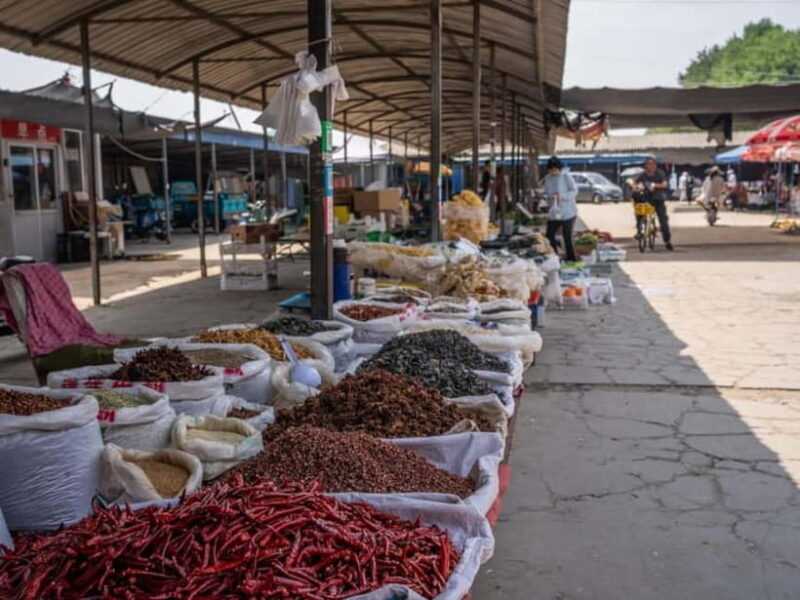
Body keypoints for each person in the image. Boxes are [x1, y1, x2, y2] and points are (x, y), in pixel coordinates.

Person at [542, 156, 578, 262]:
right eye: (551, 169)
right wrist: (545, 197)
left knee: (567, 237)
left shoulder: (566, 176)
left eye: (555, 169)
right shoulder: (547, 178)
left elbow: (574, 191)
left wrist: (561, 196)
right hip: (554, 212)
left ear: (559, 168)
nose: (553, 172)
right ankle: (554, 257)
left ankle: (571, 260)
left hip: (568, 212)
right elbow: (547, 193)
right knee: (549, 235)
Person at [634, 157, 674, 250]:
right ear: (646, 166)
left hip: (658, 199)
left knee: (663, 220)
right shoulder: (642, 175)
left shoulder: (660, 174)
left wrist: (655, 185)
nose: (651, 166)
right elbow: (635, 184)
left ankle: (667, 241)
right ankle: (640, 232)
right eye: (649, 164)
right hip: (646, 199)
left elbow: (665, 184)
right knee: (639, 214)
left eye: (653, 164)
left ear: (656, 166)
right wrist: (637, 186)